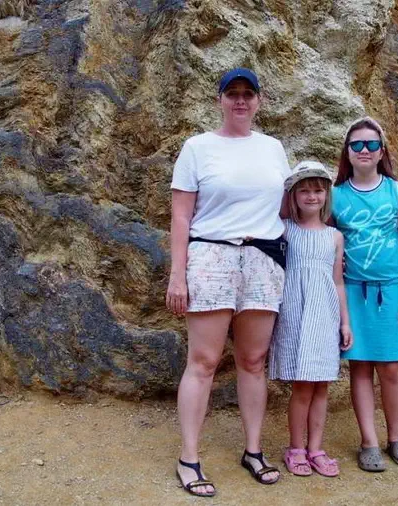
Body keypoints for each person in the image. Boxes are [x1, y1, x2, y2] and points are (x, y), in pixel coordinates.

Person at [166, 67, 288, 496]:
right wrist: (177, 275)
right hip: (211, 256)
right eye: (232, 93)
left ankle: (253, 450)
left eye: (247, 94)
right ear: (219, 99)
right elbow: (181, 216)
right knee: (203, 361)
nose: (240, 100)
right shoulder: (197, 148)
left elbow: (286, 209)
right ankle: (189, 457)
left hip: (262, 259)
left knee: (253, 360)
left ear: (259, 101)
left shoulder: (273, 149)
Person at [331, 117, 398, 472]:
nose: (364, 150)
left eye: (371, 144)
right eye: (357, 144)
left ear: (382, 151)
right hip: (353, 293)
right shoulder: (335, 196)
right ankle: (368, 442)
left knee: (391, 368)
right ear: (347, 152)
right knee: (359, 368)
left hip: (391, 292)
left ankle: (396, 437)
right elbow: (323, 239)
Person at [268, 161, 353, 478]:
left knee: (322, 386)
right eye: (303, 190)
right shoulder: (285, 229)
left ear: (326, 194)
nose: (312, 196)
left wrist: (345, 322)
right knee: (302, 386)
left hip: (325, 315)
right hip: (296, 313)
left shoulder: (334, 237)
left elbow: (338, 282)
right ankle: (296, 448)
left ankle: (316, 448)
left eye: (318, 190)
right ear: (293, 194)